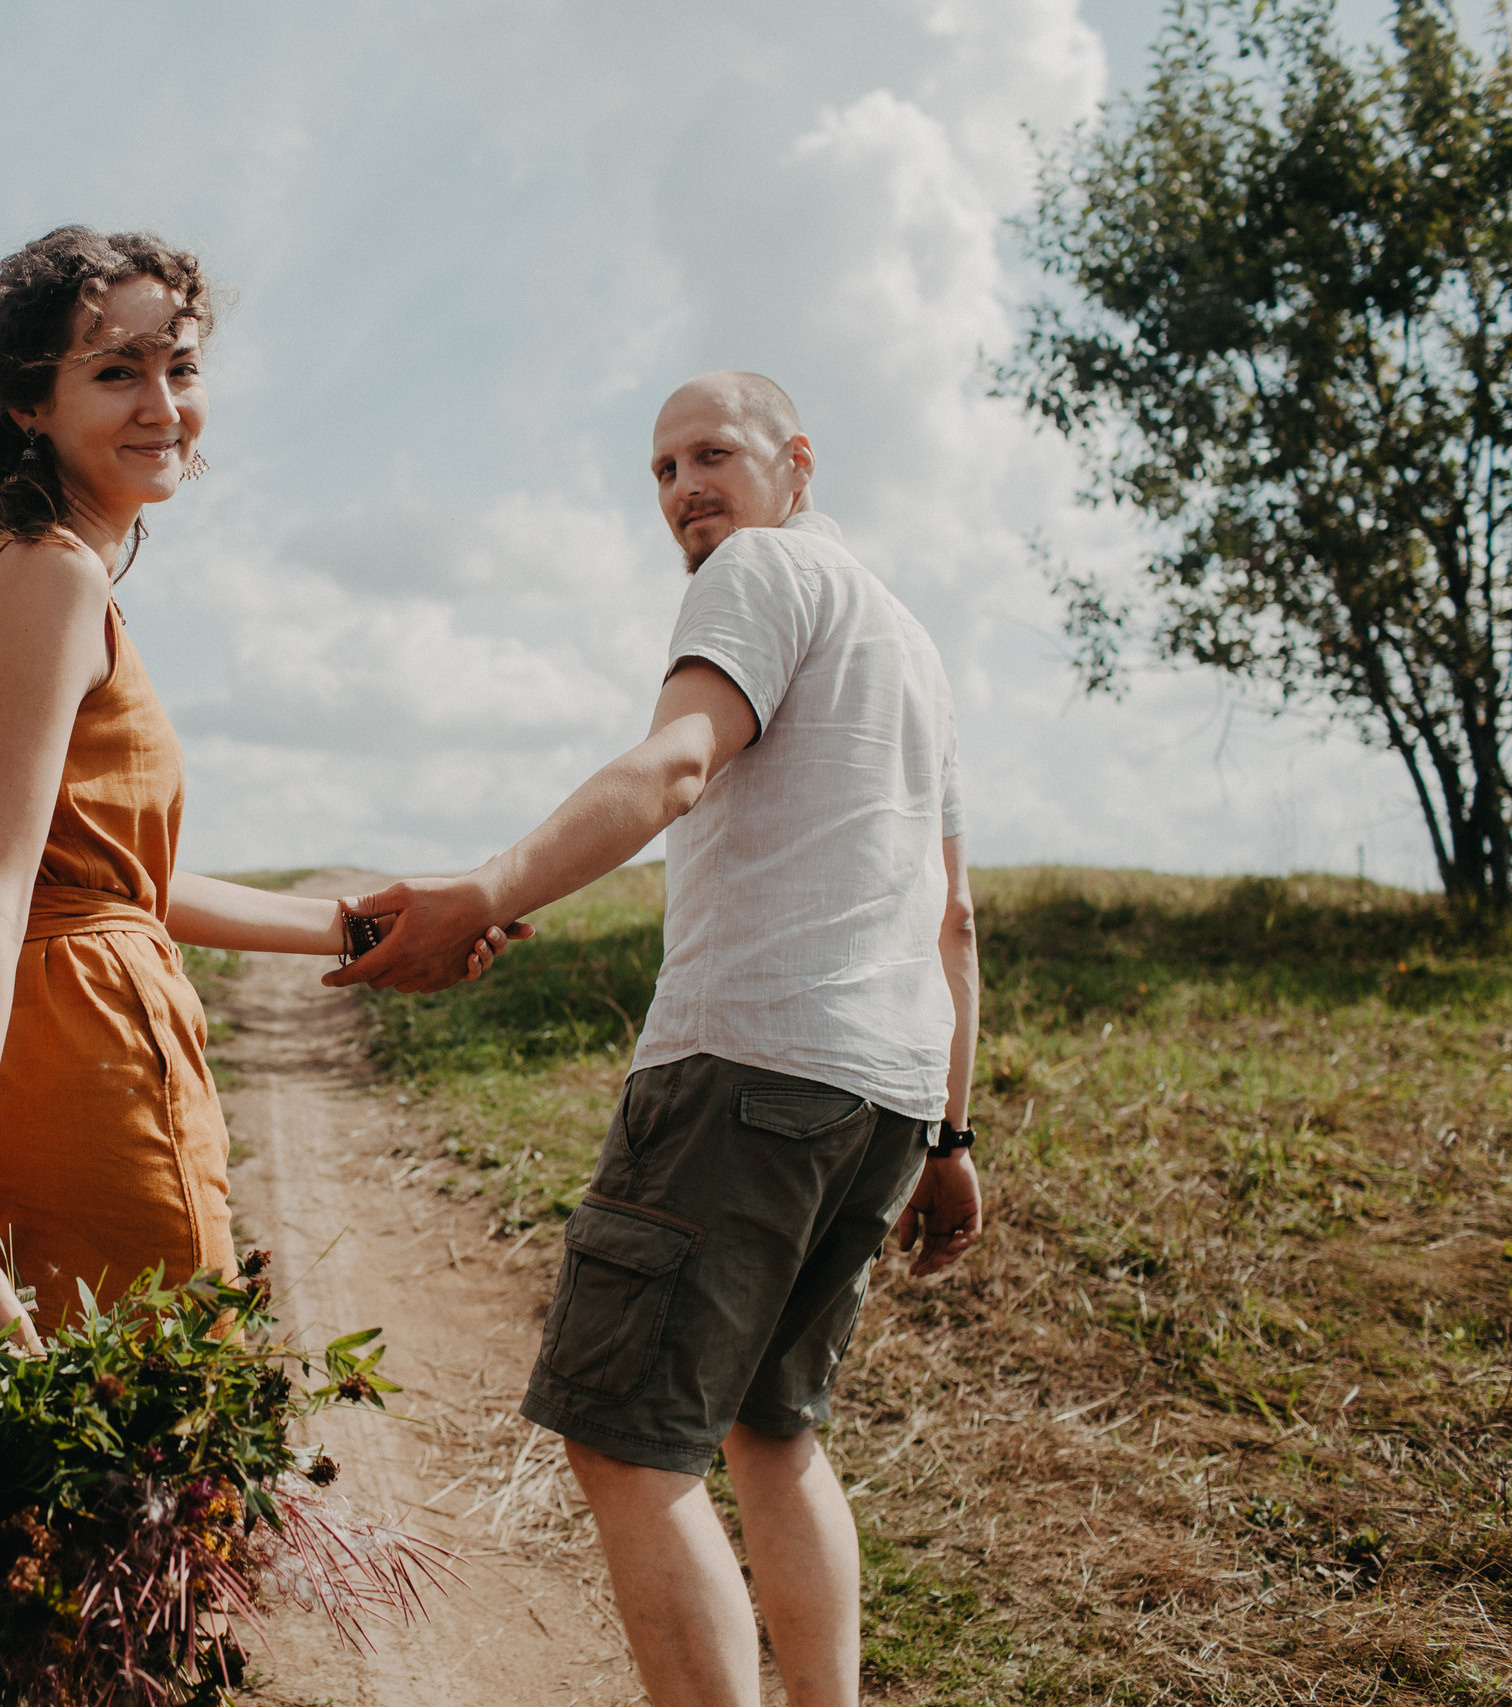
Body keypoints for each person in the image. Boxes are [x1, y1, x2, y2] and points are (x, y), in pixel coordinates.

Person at [0, 227, 516, 1695]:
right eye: (118, 371)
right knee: (112, 1531)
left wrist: (359, 933)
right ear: (28, 405)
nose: (165, 401)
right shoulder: (46, 579)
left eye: (181, 365)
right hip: (69, 1078)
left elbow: (125, 876)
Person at [327, 372, 983, 1707]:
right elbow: (953, 919)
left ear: (796, 462)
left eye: (711, 456)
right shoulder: (910, 645)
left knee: (631, 1450)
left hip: (751, 1067)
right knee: (772, 1432)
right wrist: (954, 1135)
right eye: (662, 471)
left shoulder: (760, 574)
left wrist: (484, 894)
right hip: (884, 1097)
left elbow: (677, 763)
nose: (685, 491)